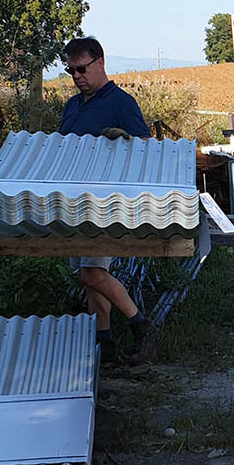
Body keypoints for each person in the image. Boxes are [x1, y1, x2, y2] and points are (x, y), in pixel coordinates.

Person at [59, 35, 158, 365]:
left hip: (105, 202)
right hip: (75, 200)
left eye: (82, 69)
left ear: (100, 63)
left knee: (92, 273)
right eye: (71, 71)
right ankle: (105, 348)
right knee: (89, 279)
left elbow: (144, 146)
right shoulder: (72, 107)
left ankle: (142, 327)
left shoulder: (120, 103)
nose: (77, 77)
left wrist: (124, 141)